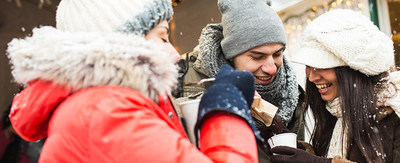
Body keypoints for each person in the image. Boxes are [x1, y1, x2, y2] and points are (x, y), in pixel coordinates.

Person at [7, 0, 262, 162]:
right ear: (124, 45)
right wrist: (226, 110)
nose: (175, 53)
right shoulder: (105, 112)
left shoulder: (99, 105)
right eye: (163, 37)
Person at [172, 0, 305, 162]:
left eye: (277, 54)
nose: (272, 68)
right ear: (231, 55)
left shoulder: (291, 91)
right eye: (258, 57)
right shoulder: (182, 76)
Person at [270, 9, 400, 163]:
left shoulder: (394, 112)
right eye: (308, 65)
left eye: (321, 66)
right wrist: (297, 152)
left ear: (352, 70)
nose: (311, 76)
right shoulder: (336, 109)